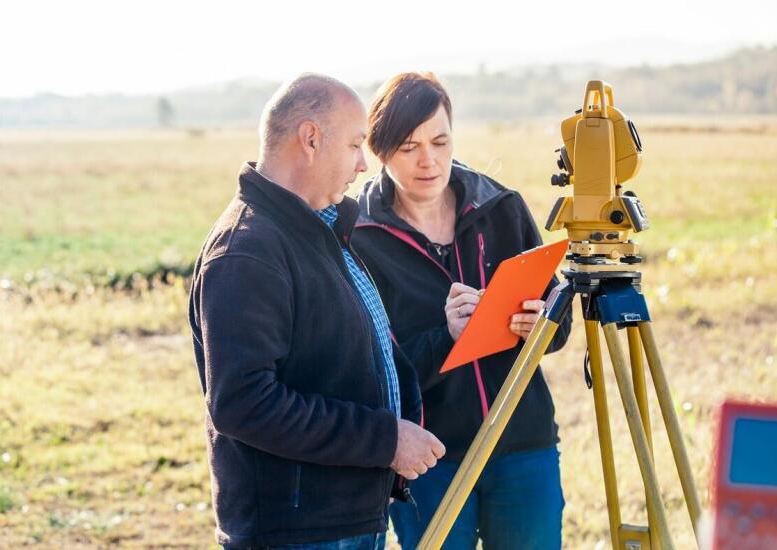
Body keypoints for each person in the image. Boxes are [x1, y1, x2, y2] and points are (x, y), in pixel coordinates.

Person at [188, 73, 446, 550]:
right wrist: (385, 440)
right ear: (310, 139)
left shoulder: (317, 231)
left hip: (343, 521)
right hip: (298, 535)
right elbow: (245, 404)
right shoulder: (247, 252)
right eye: (353, 146)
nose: (364, 164)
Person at [351, 72, 572, 550]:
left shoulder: (502, 207)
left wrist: (544, 326)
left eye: (440, 141)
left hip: (523, 442)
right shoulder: (359, 236)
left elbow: (557, 315)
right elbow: (369, 369)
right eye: (408, 147)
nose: (428, 160)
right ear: (379, 149)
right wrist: (446, 336)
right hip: (430, 456)